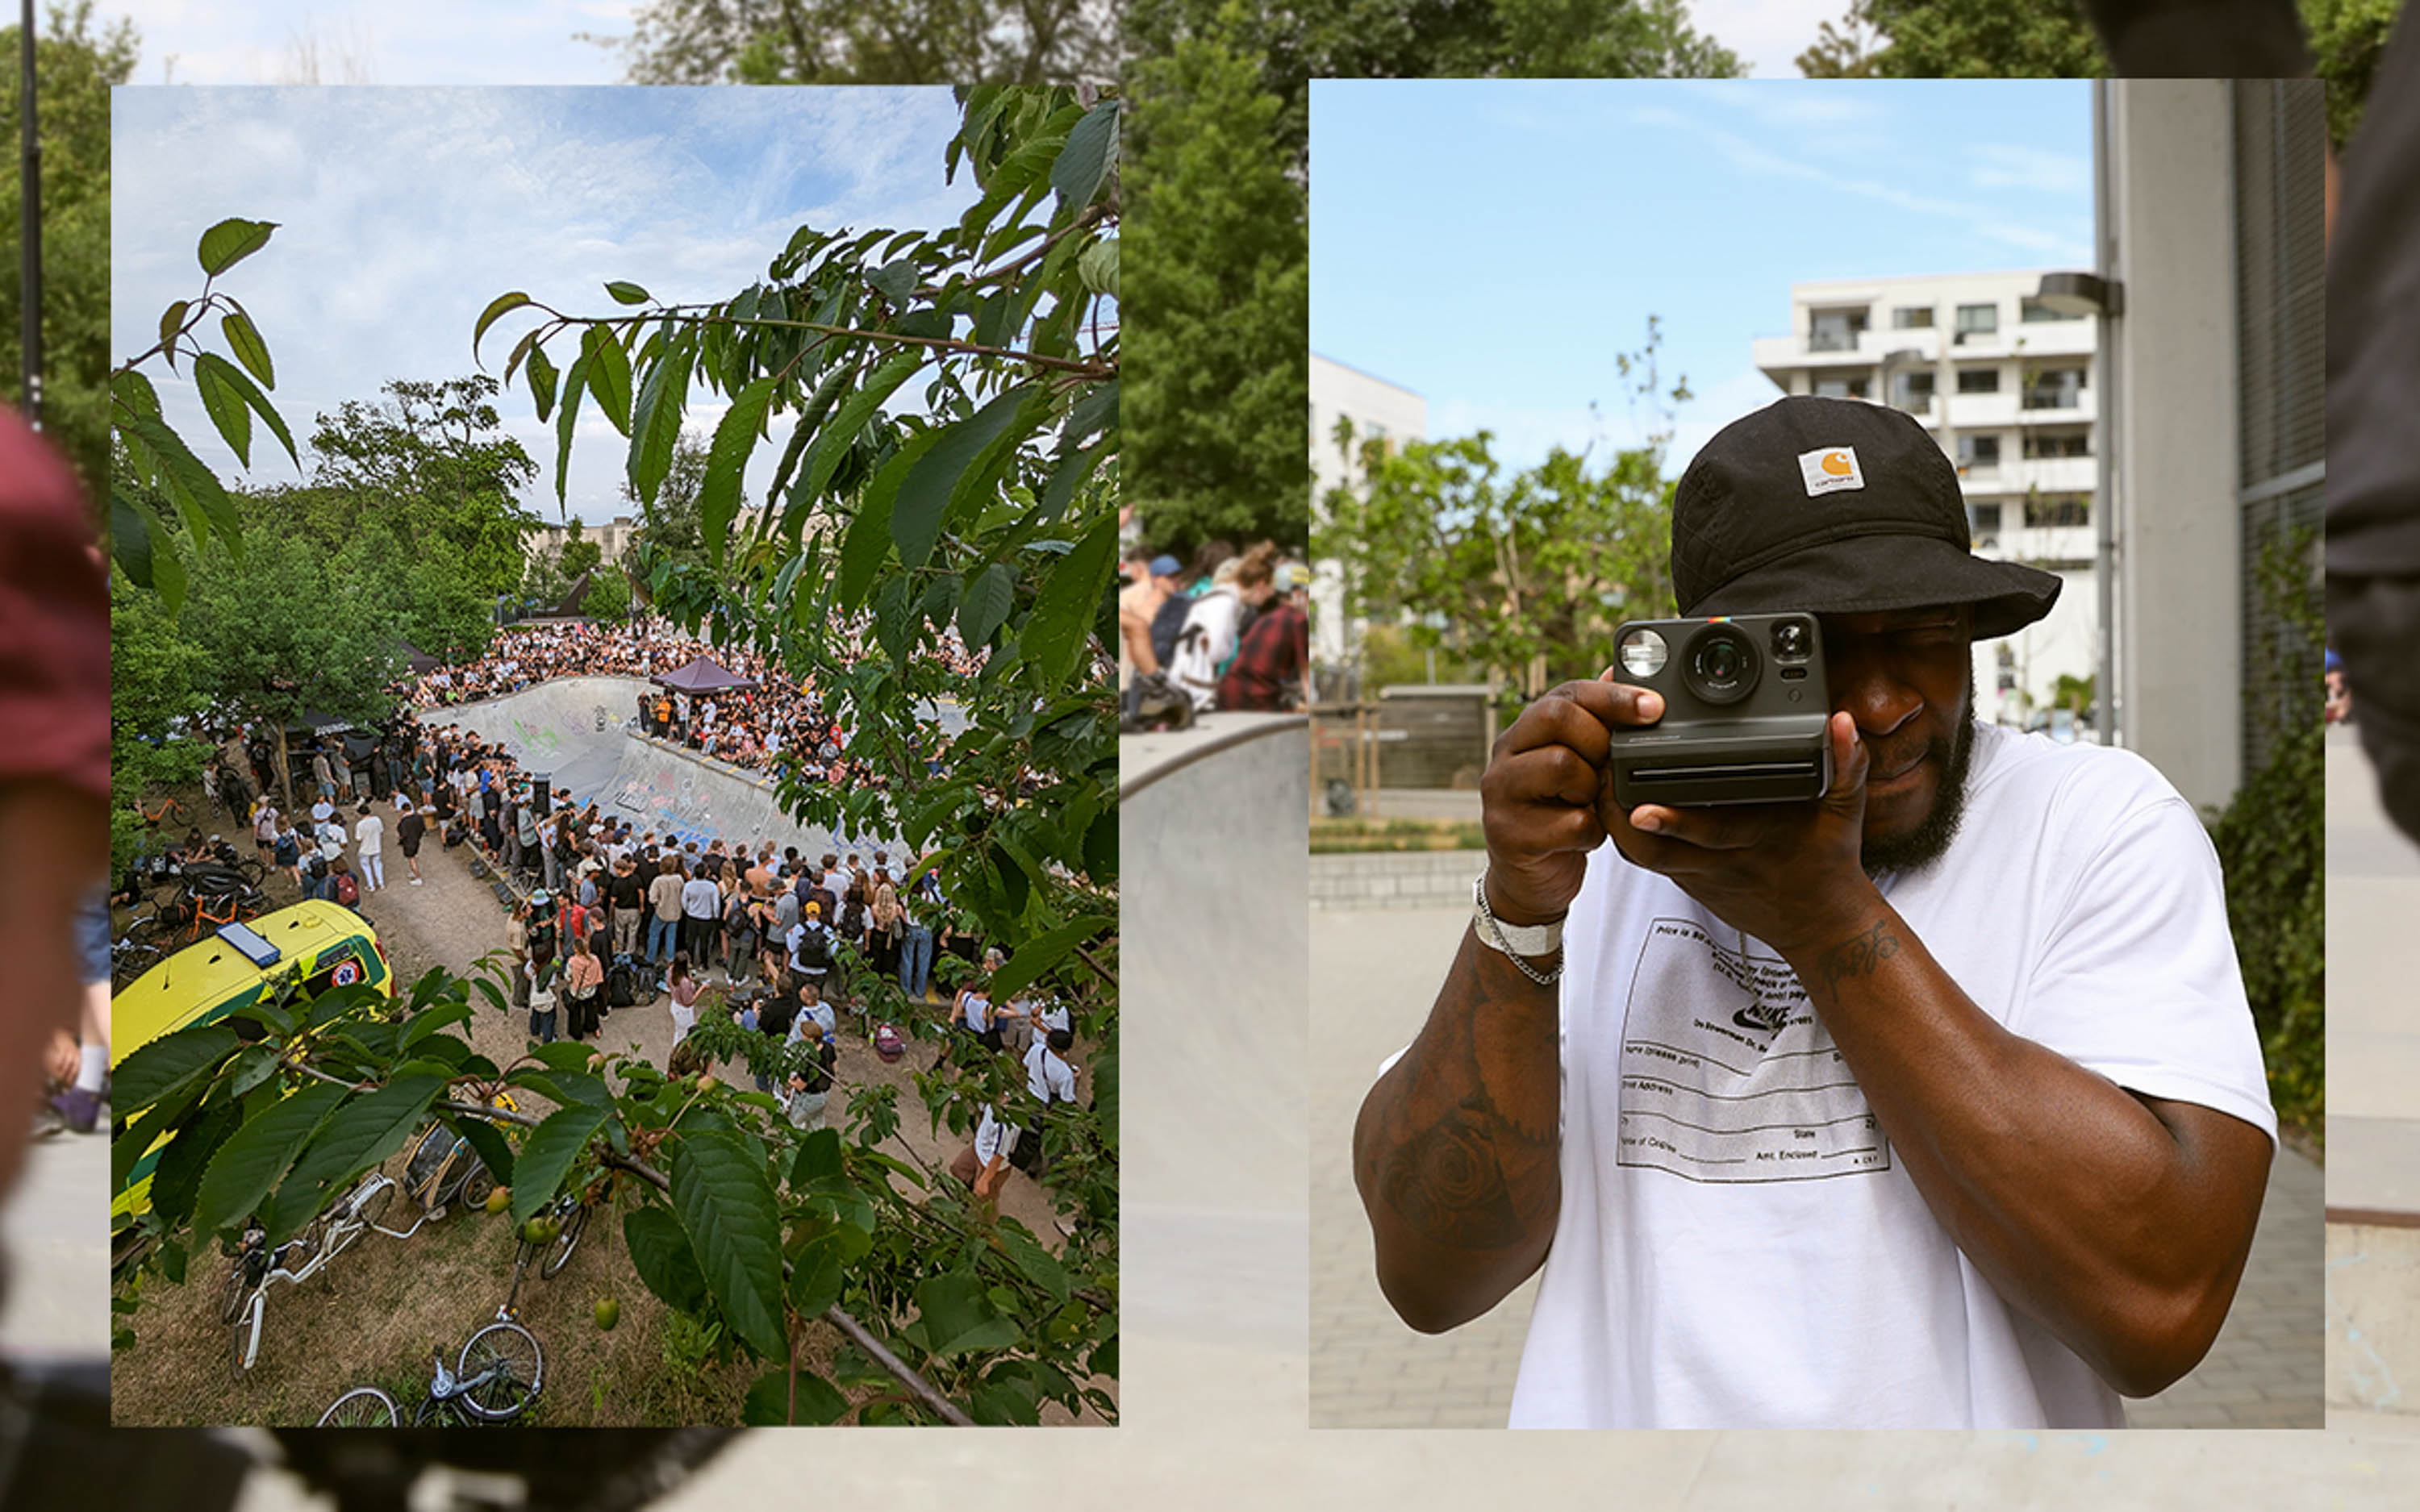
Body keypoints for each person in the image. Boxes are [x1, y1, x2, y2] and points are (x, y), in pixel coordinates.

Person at [1353, 396, 2274, 1429]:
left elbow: (2161, 1309)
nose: (1884, 706)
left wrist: (1822, 918)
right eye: (1822, 650)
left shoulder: (2091, 826)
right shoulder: (1614, 849)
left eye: (1925, 634)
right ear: (1715, 657)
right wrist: (1518, 917)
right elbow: (1433, 1281)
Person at [1216, 560, 1310, 712]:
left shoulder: (1266, 618)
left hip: (1228, 693)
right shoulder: (1298, 621)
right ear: (1297, 593)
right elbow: (1306, 676)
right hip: (1257, 700)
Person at [564, 933, 605, 1043]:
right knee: (591, 1010)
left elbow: (568, 977)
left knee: (575, 1014)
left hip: (577, 991)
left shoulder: (572, 961)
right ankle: (592, 1027)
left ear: (576, 950)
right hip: (591, 990)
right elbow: (599, 973)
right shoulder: (595, 959)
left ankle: (577, 1033)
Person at [668, 952, 702, 1046]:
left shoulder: (671, 970)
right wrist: (701, 989)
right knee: (685, 1035)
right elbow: (688, 1002)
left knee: (679, 1031)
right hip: (684, 1012)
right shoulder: (684, 982)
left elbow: (668, 984)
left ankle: (675, 1049)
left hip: (675, 1005)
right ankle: (678, 1053)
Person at [526, 956, 561, 1044]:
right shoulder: (549, 972)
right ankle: (547, 1039)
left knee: (535, 1014)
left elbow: (526, 974)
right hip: (546, 1000)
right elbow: (552, 985)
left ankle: (534, 1030)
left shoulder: (531, 965)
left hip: (535, 998)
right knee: (548, 1020)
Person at [352, 802, 386, 893]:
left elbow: (358, 839)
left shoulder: (360, 825)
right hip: (376, 846)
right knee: (378, 864)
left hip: (365, 848)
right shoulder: (377, 820)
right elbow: (381, 831)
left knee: (366, 866)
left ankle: (371, 885)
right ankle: (381, 883)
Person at [395, 796, 427, 885]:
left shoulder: (404, 821)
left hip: (409, 842)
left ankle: (418, 877)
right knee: (413, 857)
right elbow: (423, 829)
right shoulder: (419, 817)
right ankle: (414, 872)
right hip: (417, 840)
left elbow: (402, 833)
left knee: (411, 859)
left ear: (403, 810)